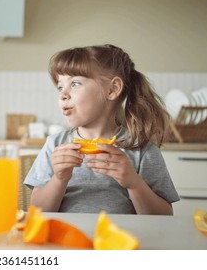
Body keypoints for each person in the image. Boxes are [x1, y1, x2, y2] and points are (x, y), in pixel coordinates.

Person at [24, 44, 179, 214]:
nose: (63, 94)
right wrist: (59, 179)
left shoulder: (140, 148)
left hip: (122, 239)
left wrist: (133, 183)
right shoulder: (55, 144)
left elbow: (164, 215)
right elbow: (37, 212)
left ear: (112, 90)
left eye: (75, 83)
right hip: (66, 239)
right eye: (60, 86)